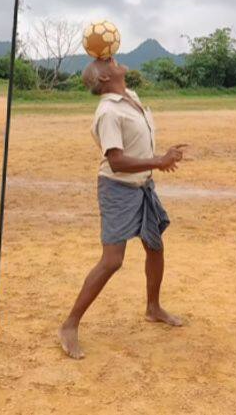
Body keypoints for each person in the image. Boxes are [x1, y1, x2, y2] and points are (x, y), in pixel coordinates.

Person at [58, 57, 186, 359]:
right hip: (117, 190)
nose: (116, 61)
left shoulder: (131, 98)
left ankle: (153, 308)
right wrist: (159, 160)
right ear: (103, 78)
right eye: (110, 61)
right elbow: (116, 161)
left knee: (155, 246)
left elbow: (135, 148)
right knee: (112, 260)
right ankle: (69, 324)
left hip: (143, 185)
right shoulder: (108, 111)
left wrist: (159, 159)